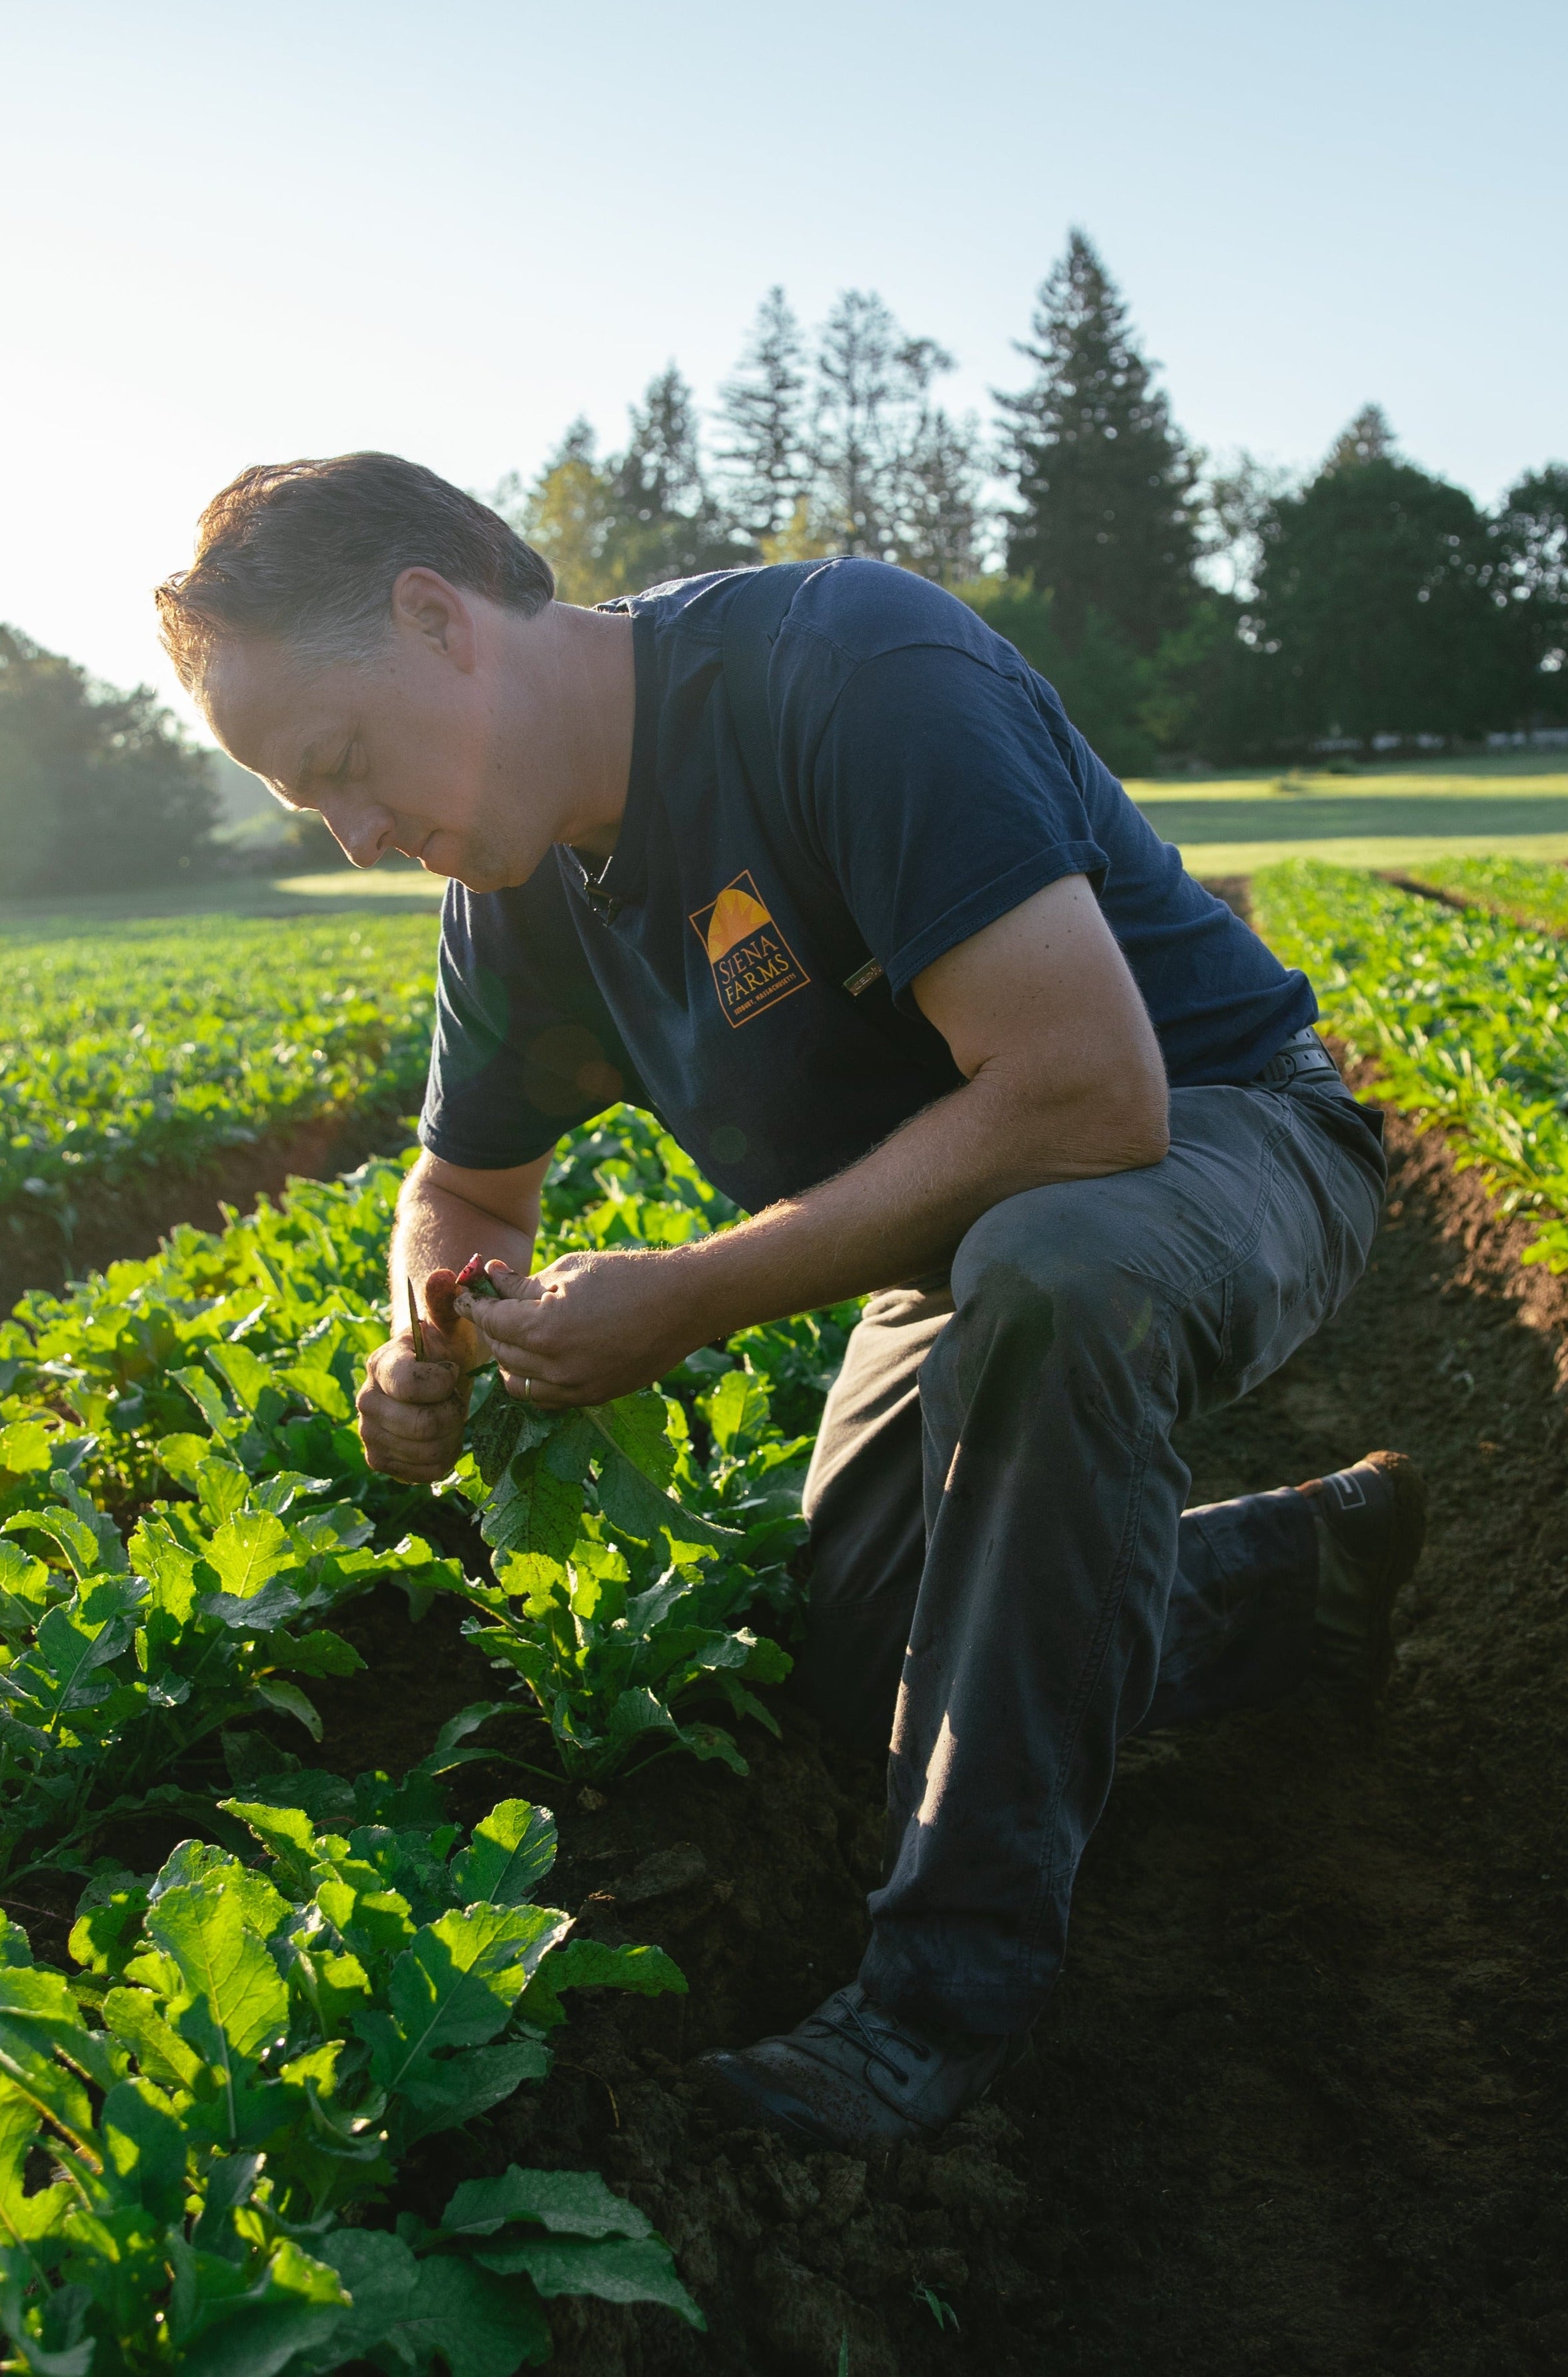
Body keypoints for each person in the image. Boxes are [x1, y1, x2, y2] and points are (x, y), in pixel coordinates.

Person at [154, 452, 1423, 2155]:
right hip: (961, 1238)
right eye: (317, 810)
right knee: (857, 1656)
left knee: (1057, 1282)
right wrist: (424, 1326)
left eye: (343, 769)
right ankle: (1292, 1580)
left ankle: (941, 1997)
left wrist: (689, 1297)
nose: (359, 838)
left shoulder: (845, 674)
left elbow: (1085, 1095)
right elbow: (460, 1189)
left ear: (438, 621)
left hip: (1219, 1131)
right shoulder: (512, 893)